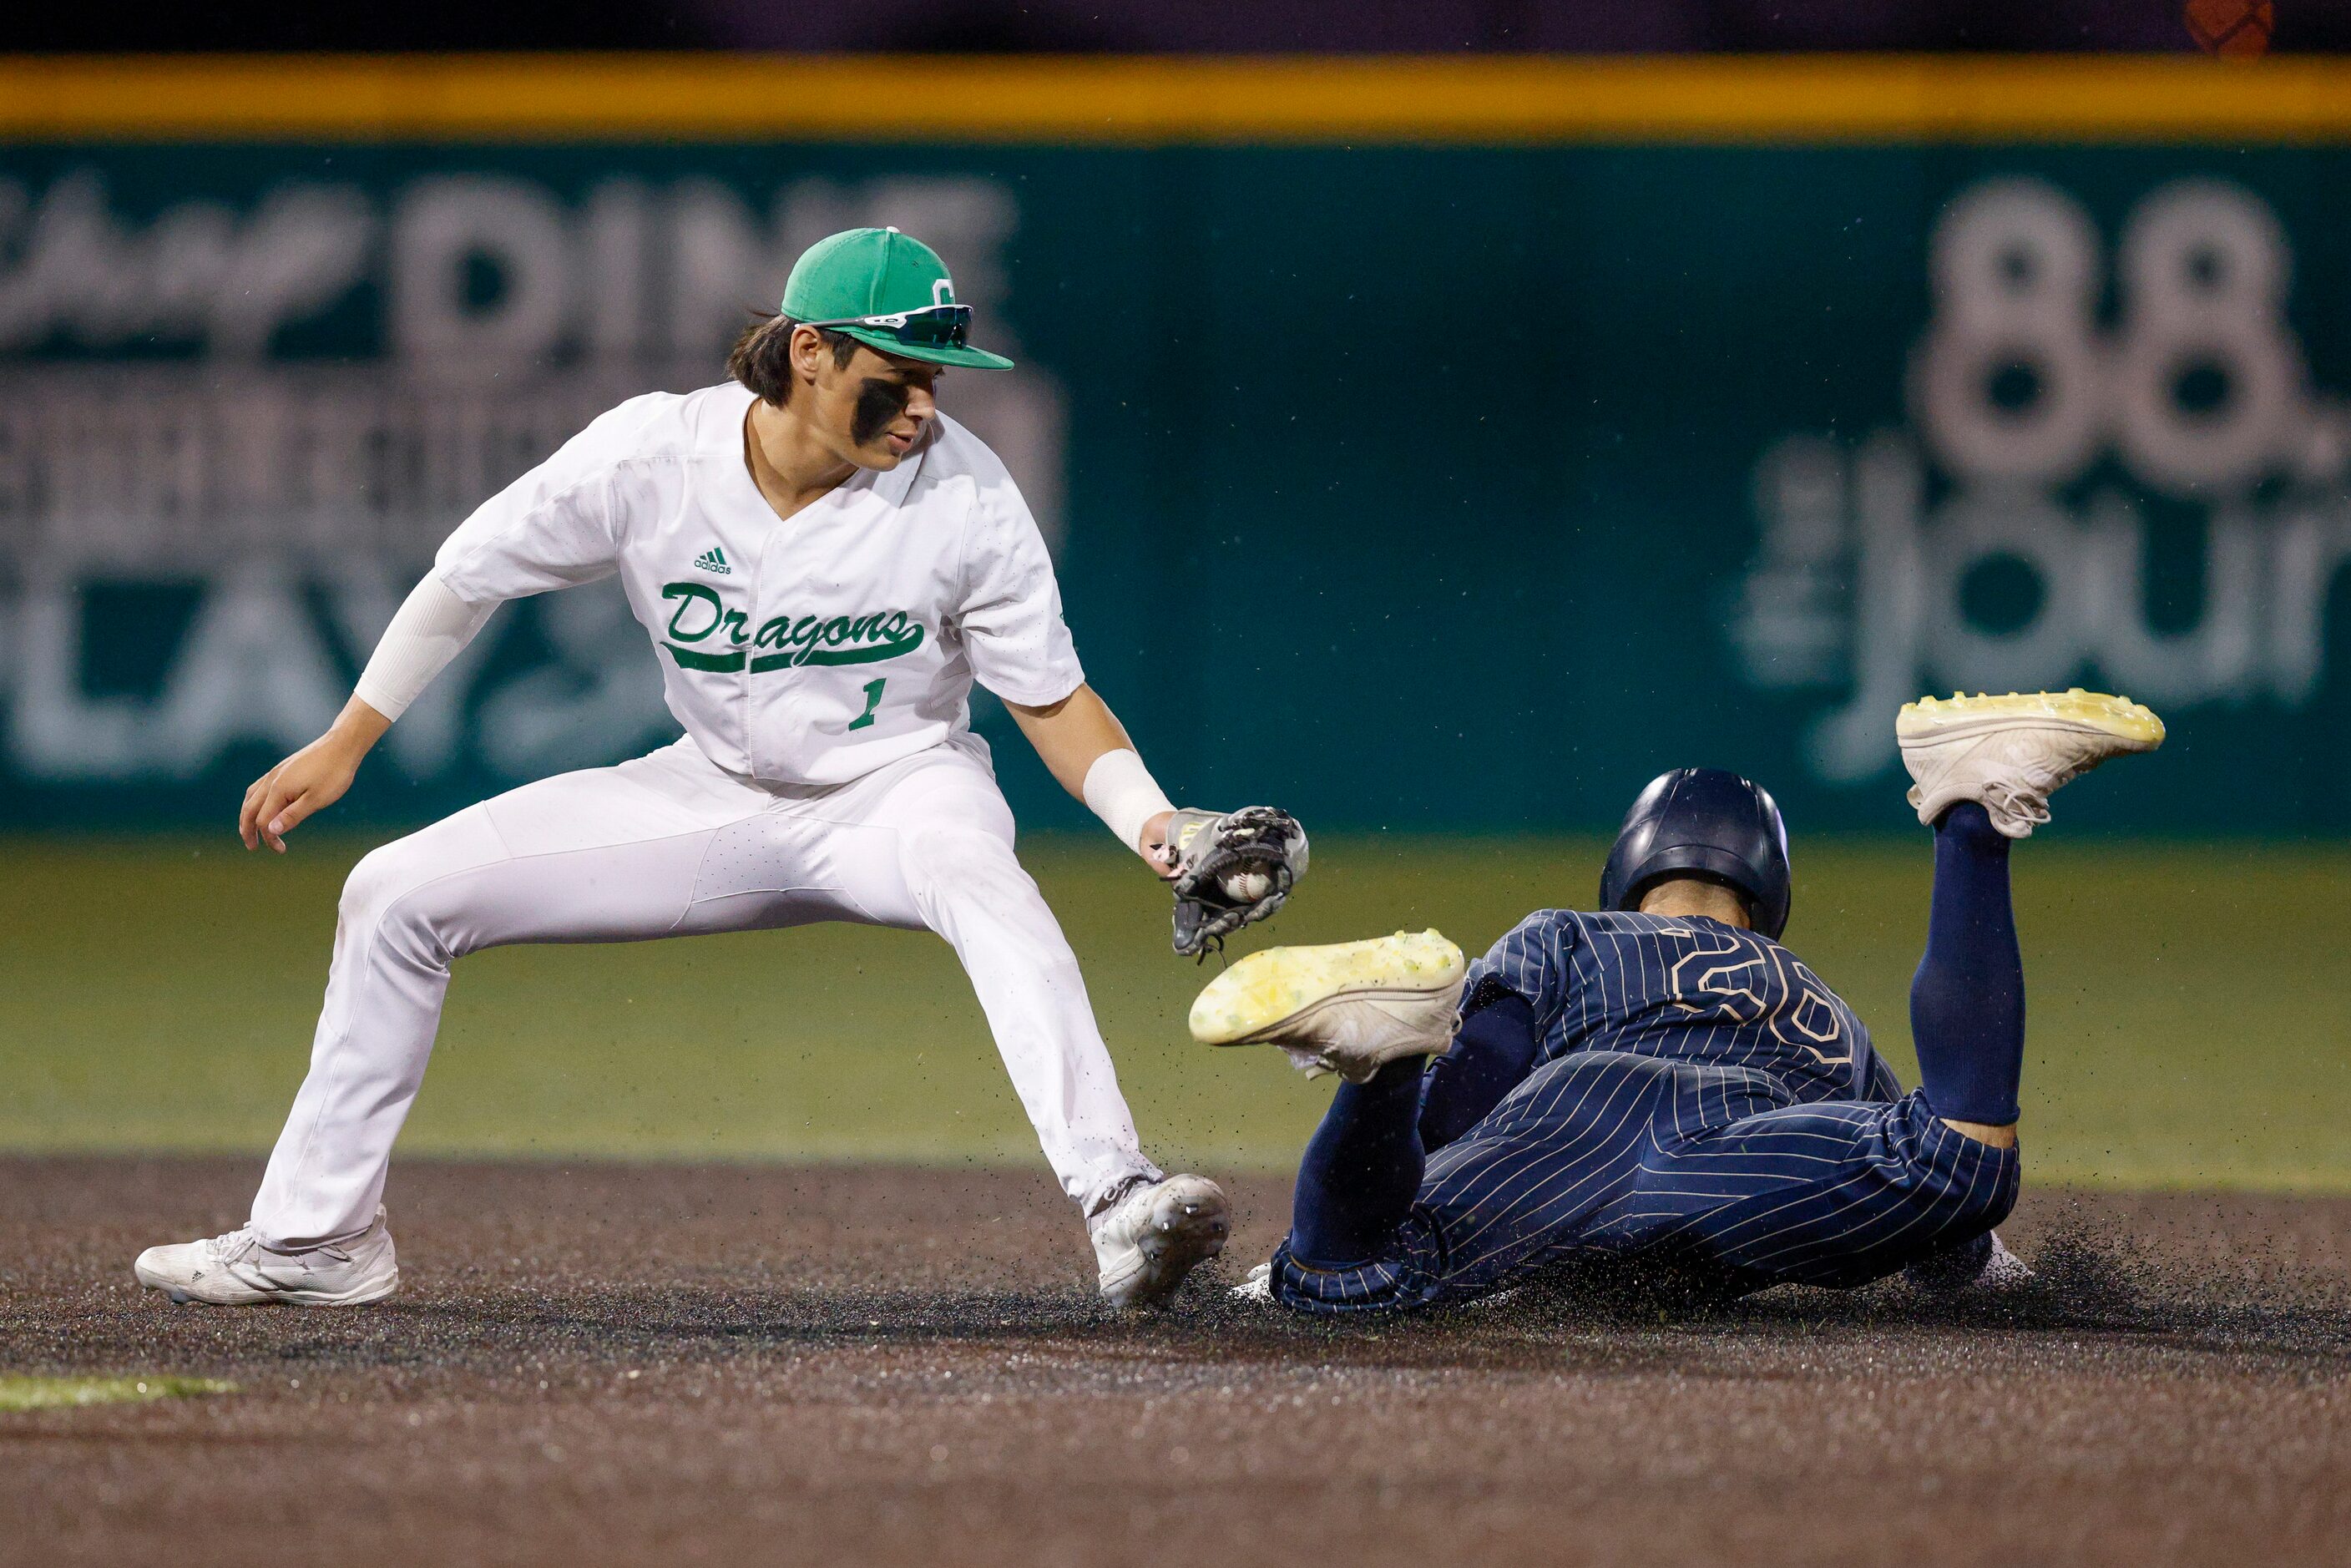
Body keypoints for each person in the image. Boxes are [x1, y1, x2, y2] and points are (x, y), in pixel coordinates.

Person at [134, 226, 1261, 1310]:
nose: (924, 404)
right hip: (711, 792)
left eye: (939, 380)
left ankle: (1119, 1198)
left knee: (980, 878)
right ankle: (317, 1239)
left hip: (901, 791)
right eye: (902, 373)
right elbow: (467, 573)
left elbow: (1051, 699)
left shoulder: (965, 493)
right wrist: (348, 740)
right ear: (809, 352)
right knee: (391, 895)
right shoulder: (652, 456)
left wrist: (1154, 822)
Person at [1191, 690, 2162, 1313]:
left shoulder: (1564, 933)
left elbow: (1468, 1097)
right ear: (1767, 888)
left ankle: (1383, 1061)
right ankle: (1972, 816)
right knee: (1955, 1157)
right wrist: (1995, 1264)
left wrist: (1359, 1214)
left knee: (1341, 1280)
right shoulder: (1818, 1002)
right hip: (1749, 1145)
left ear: (1627, 866)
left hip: (1574, 1121)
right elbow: (1953, 1250)